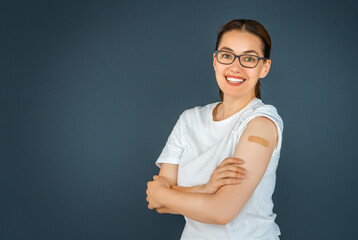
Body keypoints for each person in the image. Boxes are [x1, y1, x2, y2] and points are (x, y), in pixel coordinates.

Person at [146, 19, 284, 240]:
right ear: (215, 60)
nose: (235, 67)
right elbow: (159, 203)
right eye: (227, 55)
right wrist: (207, 188)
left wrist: (165, 193)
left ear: (264, 67)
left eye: (249, 58)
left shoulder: (261, 124)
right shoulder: (189, 120)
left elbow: (222, 212)